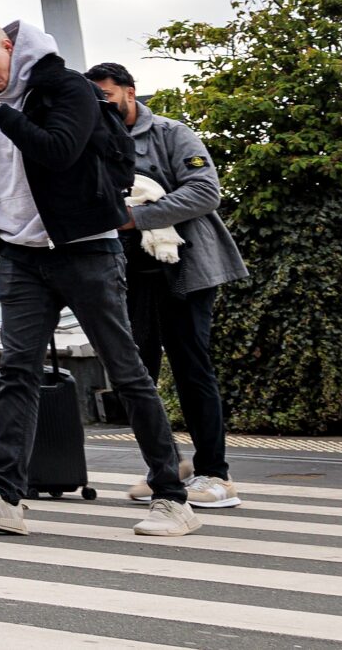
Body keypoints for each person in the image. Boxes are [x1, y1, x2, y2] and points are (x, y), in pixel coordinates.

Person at [0, 19, 196, 537]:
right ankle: (4, 496)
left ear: (10, 48)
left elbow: (57, 150)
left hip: (84, 250)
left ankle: (172, 497)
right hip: (21, 255)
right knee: (17, 372)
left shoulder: (67, 88)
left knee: (126, 371)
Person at [88, 60, 246, 510]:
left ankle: (216, 473)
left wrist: (133, 216)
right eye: (96, 101)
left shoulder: (173, 133)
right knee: (139, 376)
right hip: (127, 274)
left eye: (109, 97)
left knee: (192, 368)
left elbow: (204, 192)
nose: (104, 106)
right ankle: (167, 466)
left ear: (130, 93)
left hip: (185, 269)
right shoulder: (95, 143)